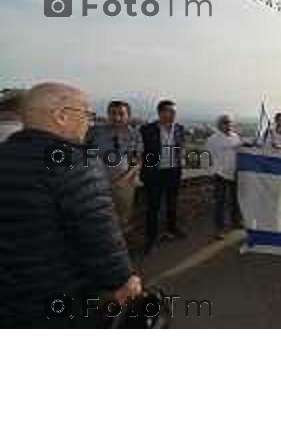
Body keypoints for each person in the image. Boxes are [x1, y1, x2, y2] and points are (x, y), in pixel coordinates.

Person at [0, 82, 141, 328]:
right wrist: (123, 281)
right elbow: (99, 235)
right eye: (86, 113)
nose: (89, 121)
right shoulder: (77, 162)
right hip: (61, 295)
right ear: (61, 116)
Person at [87, 100, 142, 236]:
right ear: (108, 115)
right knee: (98, 217)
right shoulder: (94, 132)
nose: (117, 117)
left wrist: (124, 180)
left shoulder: (134, 135)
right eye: (113, 113)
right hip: (98, 183)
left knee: (123, 218)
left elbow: (137, 160)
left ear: (128, 116)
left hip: (125, 185)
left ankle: (121, 247)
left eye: (121, 114)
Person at [139, 99, 186, 252]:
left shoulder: (179, 128)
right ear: (160, 113)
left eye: (174, 112)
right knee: (153, 207)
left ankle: (172, 229)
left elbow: (180, 149)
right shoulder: (147, 129)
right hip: (155, 173)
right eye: (169, 111)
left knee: (172, 203)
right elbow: (141, 152)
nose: (173, 115)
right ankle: (150, 239)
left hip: (174, 171)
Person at [206, 114, 243, 239]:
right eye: (225, 122)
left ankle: (235, 222)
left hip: (234, 173)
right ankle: (219, 229)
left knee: (235, 201)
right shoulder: (213, 139)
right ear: (219, 124)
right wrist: (212, 171)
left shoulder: (236, 137)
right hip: (220, 174)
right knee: (220, 203)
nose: (227, 125)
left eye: (229, 123)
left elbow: (239, 152)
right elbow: (208, 156)